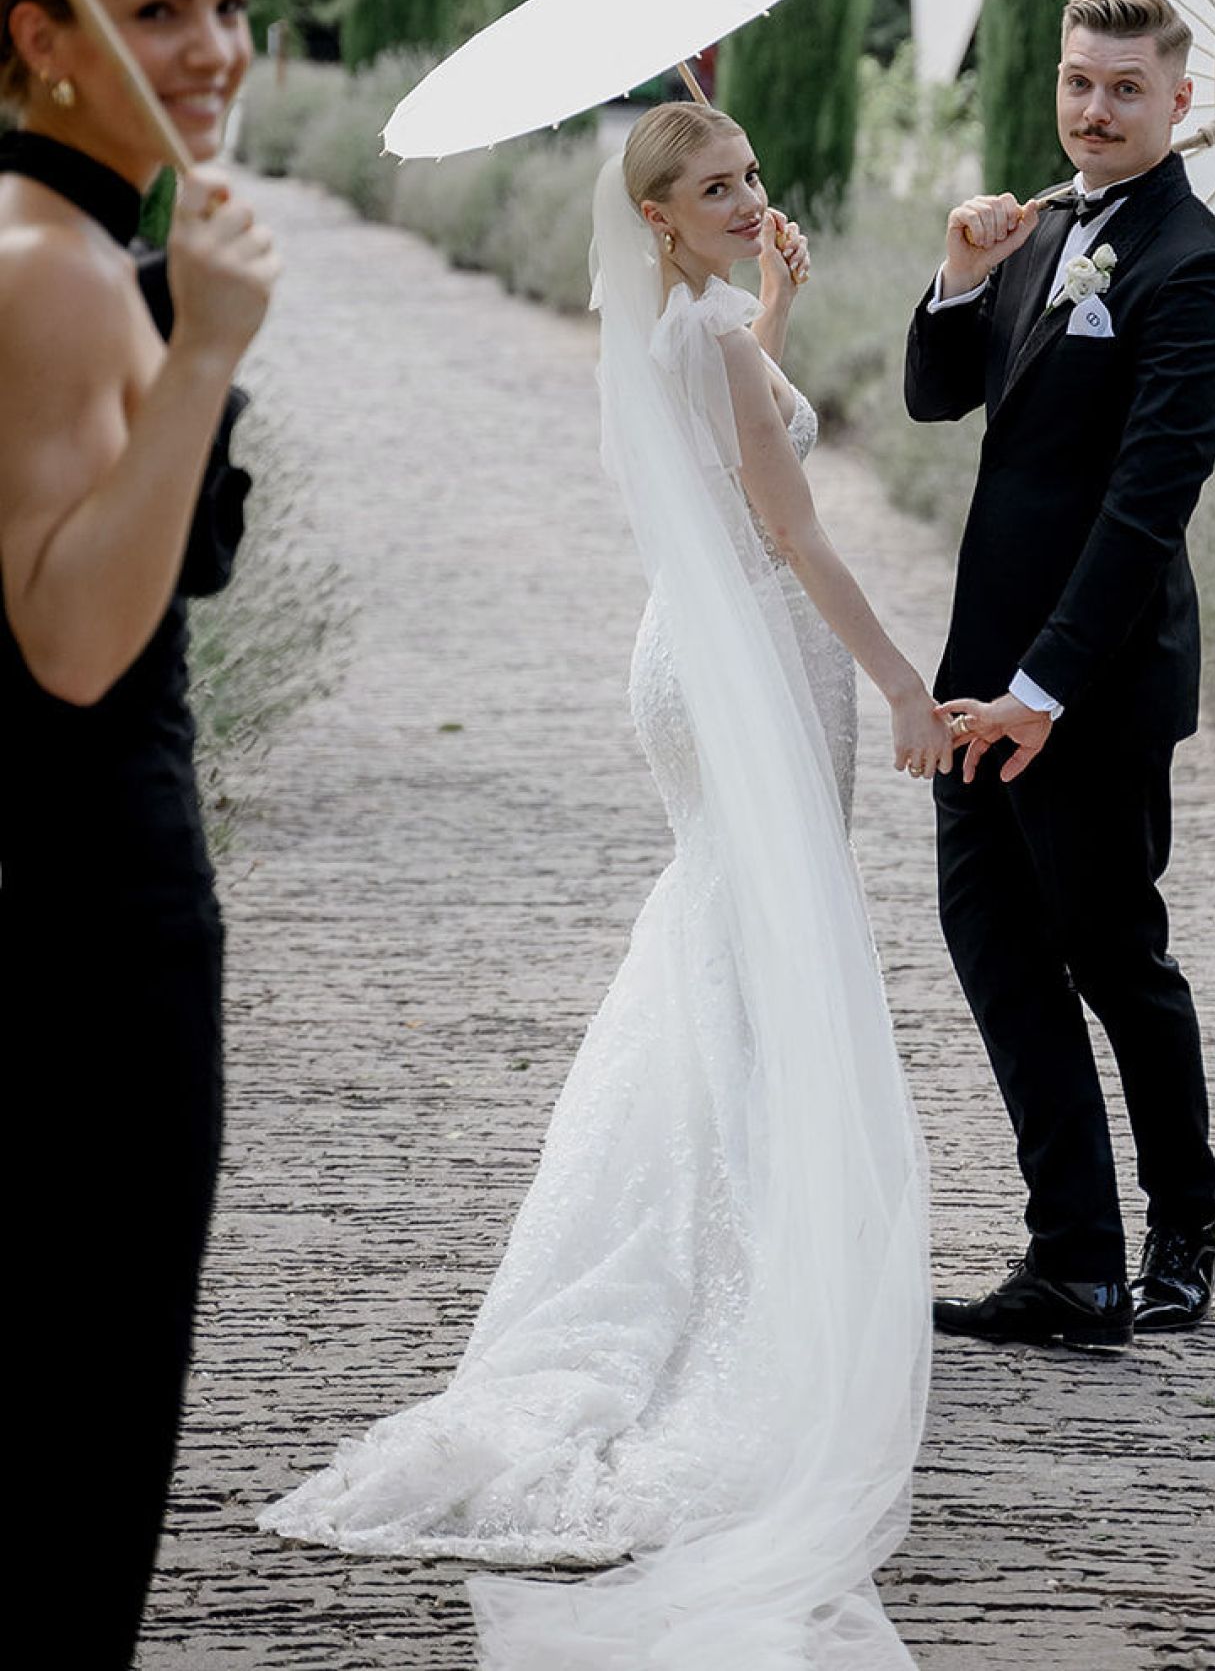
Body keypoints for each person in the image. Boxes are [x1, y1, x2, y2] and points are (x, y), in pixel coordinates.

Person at [264, 102, 944, 1670]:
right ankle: (743, 1282)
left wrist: (770, 305)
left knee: (727, 942)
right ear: (655, 216)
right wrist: (908, 684)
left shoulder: (666, 333)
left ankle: (724, 1232)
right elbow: (794, 533)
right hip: (758, 658)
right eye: (716, 189)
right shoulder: (704, 345)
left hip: (682, 660)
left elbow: (724, 422)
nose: (750, 199)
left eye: (752, 175)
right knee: (769, 946)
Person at [0, 0, 278, 1669]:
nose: (211, 49)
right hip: (83, 921)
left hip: (74, 898)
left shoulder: (82, 245)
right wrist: (203, 352)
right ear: (42, 39)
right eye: (155, 6)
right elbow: (75, 643)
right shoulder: (50, 270)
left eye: (230, 6)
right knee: (78, 1444)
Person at [905, 0, 1215, 1349]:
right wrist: (960, 276)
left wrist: (1044, 692)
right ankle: (1076, 1262)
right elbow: (938, 396)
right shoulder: (1042, 227)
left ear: (1178, 100)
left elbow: (1144, 508)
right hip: (976, 669)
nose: (1095, 110)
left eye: (1124, 88)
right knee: (993, 948)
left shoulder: (1195, 267)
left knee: (1114, 958)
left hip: (1091, 688)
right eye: (1078, 82)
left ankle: (1189, 1217)